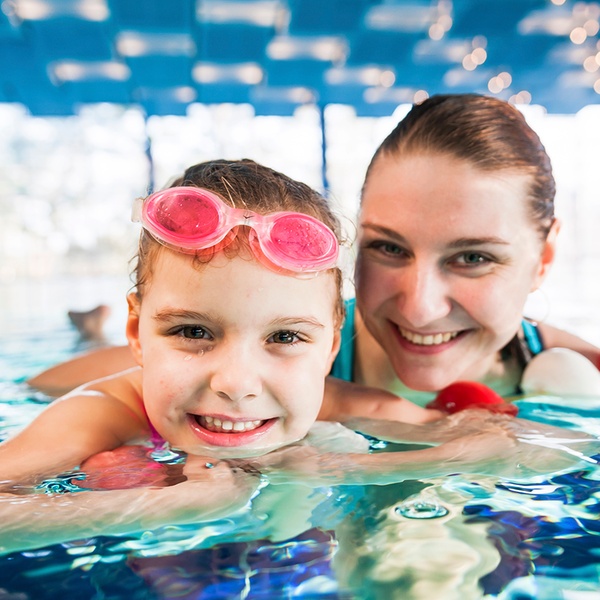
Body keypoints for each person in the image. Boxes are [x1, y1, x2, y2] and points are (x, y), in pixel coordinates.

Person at [5, 158, 552, 556]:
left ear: (331, 346)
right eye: (193, 331)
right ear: (138, 332)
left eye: (285, 337)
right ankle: (90, 332)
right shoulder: (101, 414)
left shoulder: (341, 405)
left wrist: (346, 466)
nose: (238, 382)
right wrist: (173, 505)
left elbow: (516, 448)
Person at [25, 94, 600, 408]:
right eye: (387, 247)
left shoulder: (574, 368)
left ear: (545, 259)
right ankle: (94, 329)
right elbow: (41, 386)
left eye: (473, 258)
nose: (420, 308)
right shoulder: (286, 343)